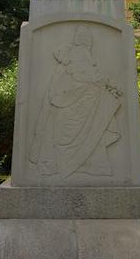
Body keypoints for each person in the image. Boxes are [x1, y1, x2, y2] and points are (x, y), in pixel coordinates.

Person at [29, 26, 122, 180]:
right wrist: (110, 84)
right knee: (87, 127)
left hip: (73, 100)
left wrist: (106, 85)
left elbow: (88, 76)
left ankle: (87, 163)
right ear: (82, 40)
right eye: (86, 38)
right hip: (70, 101)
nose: (89, 42)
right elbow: (87, 76)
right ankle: (83, 164)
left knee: (90, 126)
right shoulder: (80, 54)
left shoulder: (76, 54)